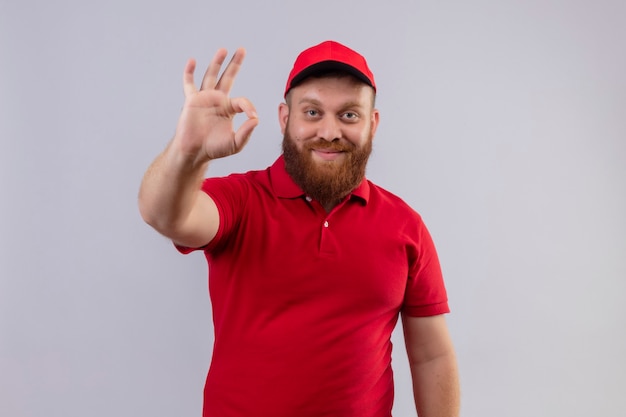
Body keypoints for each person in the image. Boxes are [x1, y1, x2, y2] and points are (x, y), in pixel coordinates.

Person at [138, 40, 460, 417]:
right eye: (312, 112)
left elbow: (431, 356)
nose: (329, 131)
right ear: (284, 118)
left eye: (349, 115)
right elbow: (165, 215)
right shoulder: (241, 200)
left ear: (372, 123)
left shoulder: (406, 226)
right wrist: (186, 151)